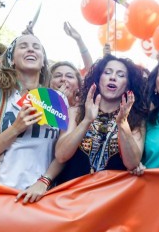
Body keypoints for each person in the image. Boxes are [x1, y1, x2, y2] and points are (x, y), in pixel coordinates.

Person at [0, 34, 62, 204]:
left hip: (42, 197)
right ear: (12, 59)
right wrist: (15, 128)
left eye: (36, 47)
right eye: (23, 46)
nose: (30, 49)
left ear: (43, 61)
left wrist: (44, 181)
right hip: (1, 195)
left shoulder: (55, 99)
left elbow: (63, 153)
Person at [54, 55, 146, 184]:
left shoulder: (136, 119)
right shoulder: (76, 112)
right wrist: (86, 120)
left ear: (127, 86)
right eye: (107, 72)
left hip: (110, 198)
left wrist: (123, 124)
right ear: (98, 79)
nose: (112, 77)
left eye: (121, 75)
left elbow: (132, 163)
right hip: (71, 196)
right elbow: (61, 155)